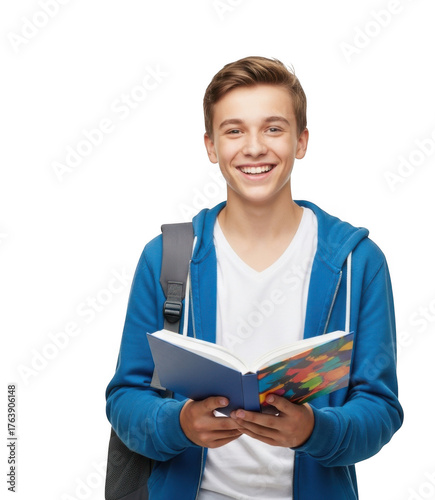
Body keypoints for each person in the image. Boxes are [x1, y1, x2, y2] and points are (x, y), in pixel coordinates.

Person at [106, 56, 403, 499]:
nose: (254, 147)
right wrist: (180, 423)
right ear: (211, 147)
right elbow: (125, 398)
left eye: (273, 128)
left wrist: (313, 430)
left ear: (301, 141)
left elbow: (379, 409)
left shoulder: (358, 263)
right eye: (234, 130)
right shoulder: (167, 257)